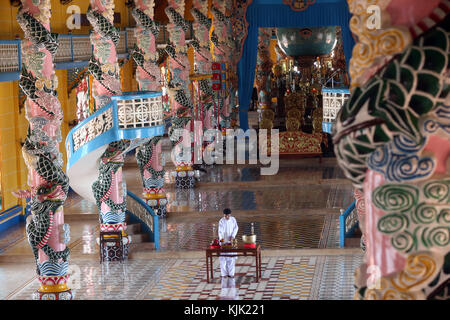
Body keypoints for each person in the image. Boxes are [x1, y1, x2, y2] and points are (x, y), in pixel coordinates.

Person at [218, 208, 238, 278]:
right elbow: (220, 232)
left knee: (231, 258)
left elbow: (236, 228)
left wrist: (233, 236)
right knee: (223, 259)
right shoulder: (221, 221)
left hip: (231, 239)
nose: (227, 217)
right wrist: (223, 241)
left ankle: (231, 273)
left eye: (228, 215)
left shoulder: (233, 219)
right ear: (224, 215)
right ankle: (224, 274)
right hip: (224, 239)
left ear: (230, 215)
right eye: (225, 216)